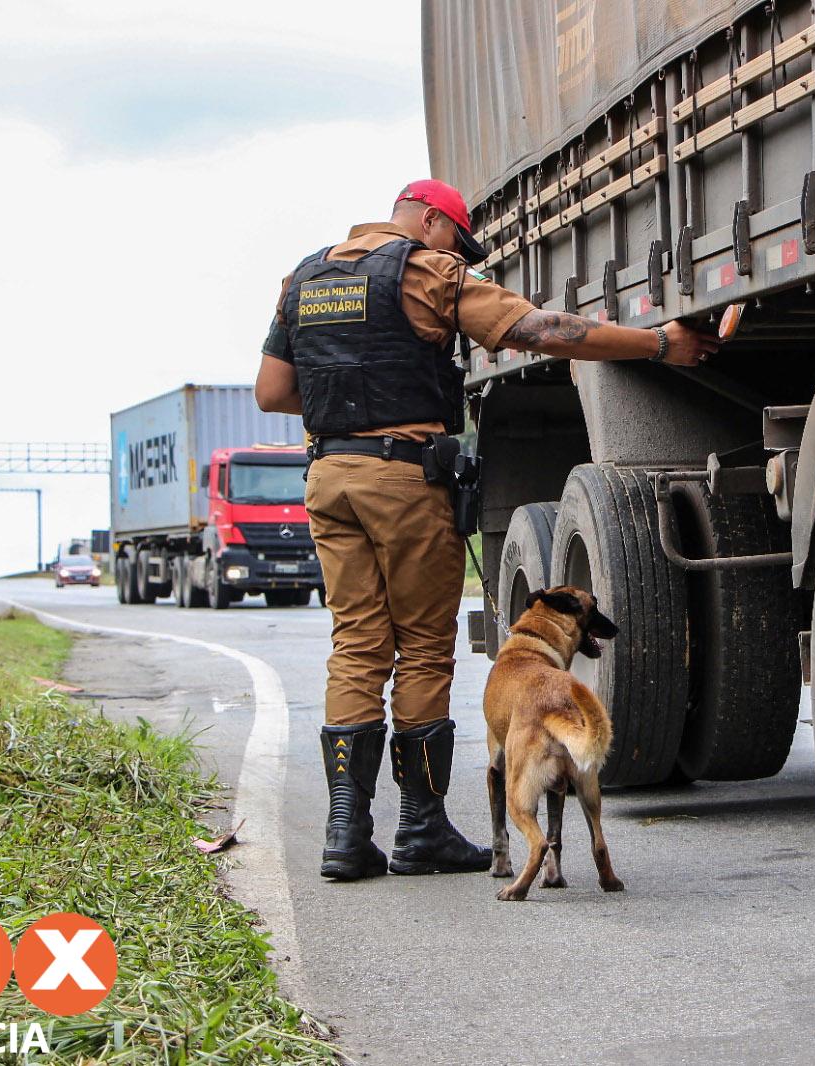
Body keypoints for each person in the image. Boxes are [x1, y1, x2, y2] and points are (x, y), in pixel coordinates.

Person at [255, 179, 721, 881]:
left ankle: (345, 836)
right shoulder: (424, 271)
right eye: (457, 239)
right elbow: (540, 331)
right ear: (430, 220)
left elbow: (273, 393)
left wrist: (351, 403)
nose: (460, 257)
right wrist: (658, 344)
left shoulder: (304, 280)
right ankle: (421, 832)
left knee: (355, 647)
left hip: (329, 476)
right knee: (422, 649)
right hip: (401, 478)